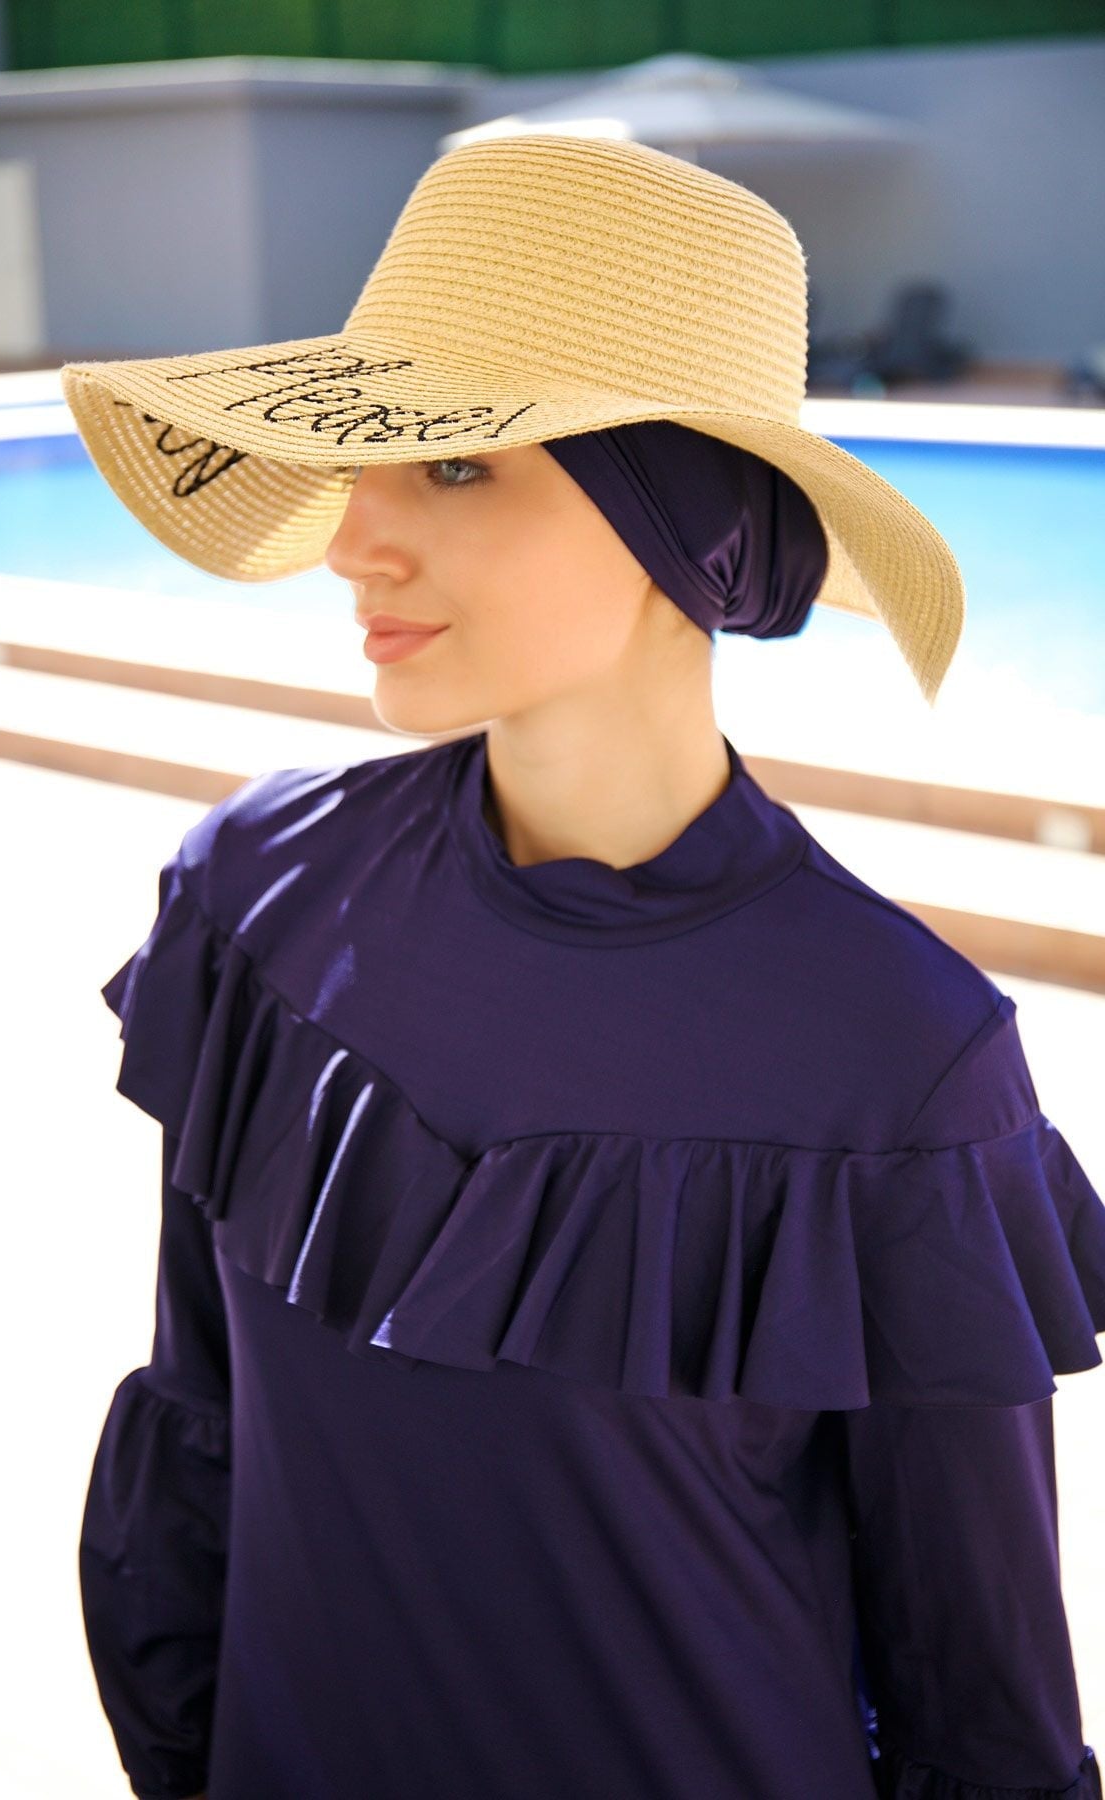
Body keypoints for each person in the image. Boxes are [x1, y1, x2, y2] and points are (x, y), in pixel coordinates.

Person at [65, 136, 1105, 1800]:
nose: (354, 541)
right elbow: (196, 1447)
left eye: (454, 466)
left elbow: (978, 1711)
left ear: (678, 519)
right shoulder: (259, 893)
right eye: (367, 461)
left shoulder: (898, 1062)